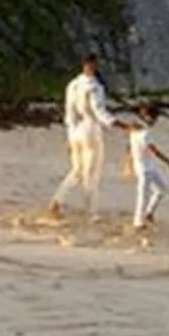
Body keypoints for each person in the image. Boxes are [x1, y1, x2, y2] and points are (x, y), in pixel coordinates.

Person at [48, 54, 121, 217]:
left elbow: (69, 114)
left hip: (75, 132)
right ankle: (92, 212)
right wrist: (118, 124)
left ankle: (58, 200)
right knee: (91, 174)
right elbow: (99, 111)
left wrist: (69, 136)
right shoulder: (94, 87)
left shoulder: (73, 84)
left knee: (76, 171)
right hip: (90, 131)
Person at [122, 109, 169, 230]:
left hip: (150, 166)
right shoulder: (144, 134)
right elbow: (155, 151)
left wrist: (127, 164)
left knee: (162, 189)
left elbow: (129, 148)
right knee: (143, 195)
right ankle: (138, 222)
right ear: (147, 117)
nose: (155, 121)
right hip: (143, 168)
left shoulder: (135, 130)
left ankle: (148, 213)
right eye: (154, 118)